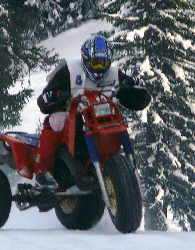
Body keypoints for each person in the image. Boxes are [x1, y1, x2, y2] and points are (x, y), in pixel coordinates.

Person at [35, 35, 151, 189]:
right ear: (85, 60)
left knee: (122, 123)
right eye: (94, 63)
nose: (99, 68)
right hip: (71, 115)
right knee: (56, 120)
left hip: (103, 118)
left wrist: (138, 92)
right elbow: (43, 100)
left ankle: (123, 168)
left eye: (103, 63)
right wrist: (52, 97)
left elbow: (129, 94)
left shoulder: (113, 74)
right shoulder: (69, 70)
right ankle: (43, 171)